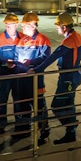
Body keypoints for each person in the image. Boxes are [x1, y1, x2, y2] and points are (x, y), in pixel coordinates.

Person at [33, 12, 81, 144]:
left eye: (58, 25)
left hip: (68, 77)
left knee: (56, 106)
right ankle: (71, 134)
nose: (56, 28)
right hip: (75, 75)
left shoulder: (69, 40)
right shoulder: (77, 36)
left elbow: (54, 56)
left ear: (64, 27)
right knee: (69, 104)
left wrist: (37, 69)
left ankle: (71, 125)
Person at [12, 12, 52, 143]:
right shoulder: (22, 41)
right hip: (22, 78)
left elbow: (45, 58)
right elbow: (17, 57)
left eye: (25, 25)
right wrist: (15, 64)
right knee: (22, 105)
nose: (22, 28)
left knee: (39, 105)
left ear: (33, 25)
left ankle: (43, 131)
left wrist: (31, 62)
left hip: (36, 79)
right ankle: (24, 129)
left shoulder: (43, 40)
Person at [0, 13, 22, 135]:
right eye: (7, 24)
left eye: (11, 24)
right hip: (4, 75)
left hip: (18, 74)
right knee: (2, 101)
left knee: (18, 101)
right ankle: (1, 125)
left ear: (16, 25)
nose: (8, 27)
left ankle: (20, 124)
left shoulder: (23, 38)